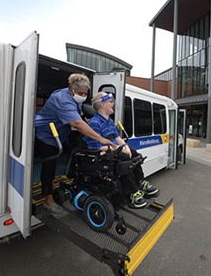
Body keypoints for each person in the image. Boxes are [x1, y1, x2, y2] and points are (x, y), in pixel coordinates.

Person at [35, 74, 114, 218]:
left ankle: (75, 183)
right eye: (80, 93)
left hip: (61, 132)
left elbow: (79, 116)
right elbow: (77, 123)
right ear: (71, 90)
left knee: (79, 152)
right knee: (49, 165)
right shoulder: (62, 99)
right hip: (46, 134)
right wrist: (100, 139)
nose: (83, 96)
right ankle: (48, 201)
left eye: (85, 93)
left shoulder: (74, 98)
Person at [83, 92, 159, 209]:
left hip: (112, 150)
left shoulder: (109, 122)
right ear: (102, 105)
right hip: (102, 153)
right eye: (110, 102)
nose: (113, 103)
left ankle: (141, 182)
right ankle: (132, 193)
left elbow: (118, 138)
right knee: (124, 160)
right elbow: (95, 146)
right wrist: (117, 148)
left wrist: (125, 146)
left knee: (134, 153)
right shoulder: (94, 123)